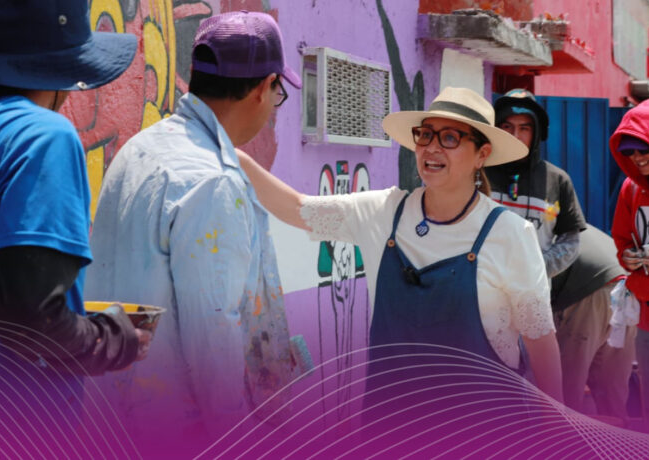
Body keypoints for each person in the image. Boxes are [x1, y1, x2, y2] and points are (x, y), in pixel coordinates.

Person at [238, 87, 563, 409]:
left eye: (450, 138)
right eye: (426, 135)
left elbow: (540, 340)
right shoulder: (384, 213)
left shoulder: (510, 234)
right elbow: (298, 209)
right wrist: (231, 155)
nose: (432, 148)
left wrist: (555, 421)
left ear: (482, 154)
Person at [84, 11, 305, 455]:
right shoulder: (213, 182)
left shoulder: (139, 150)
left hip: (110, 423)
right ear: (263, 88)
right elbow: (214, 342)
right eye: (278, 92)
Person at [0, 0, 149, 378]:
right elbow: (35, 325)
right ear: (62, 75)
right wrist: (115, 338)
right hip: (14, 407)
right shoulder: (40, 138)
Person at [486, 89, 587, 279]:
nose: (515, 135)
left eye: (524, 128)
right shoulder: (478, 172)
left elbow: (570, 241)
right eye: (507, 126)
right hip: (481, 284)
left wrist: (537, 267)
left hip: (532, 290)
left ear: (537, 133)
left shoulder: (557, 180)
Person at [610, 99, 649, 435]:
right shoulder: (630, 189)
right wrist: (627, 256)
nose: (637, 157)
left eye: (644, 148)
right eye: (628, 151)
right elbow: (621, 238)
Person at [550, 225, 634, 423]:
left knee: (566, 391)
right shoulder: (575, 225)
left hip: (591, 294)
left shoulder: (534, 229)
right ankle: (618, 439)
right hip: (628, 293)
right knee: (612, 392)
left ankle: (565, 438)